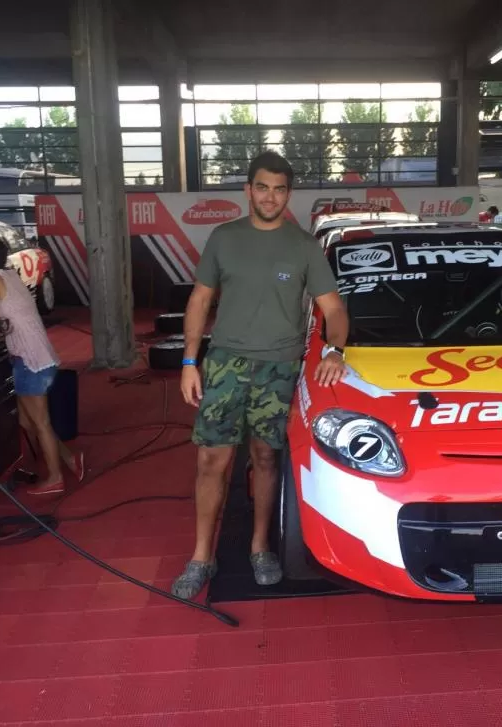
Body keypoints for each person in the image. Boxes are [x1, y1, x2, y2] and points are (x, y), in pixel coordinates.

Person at [172, 150, 349, 599]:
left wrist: (334, 349)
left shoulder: (304, 245)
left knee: (267, 458)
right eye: (263, 187)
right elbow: (199, 300)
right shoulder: (223, 238)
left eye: (280, 189)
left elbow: (334, 308)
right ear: (248, 190)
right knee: (212, 459)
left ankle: (259, 548)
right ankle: (200, 556)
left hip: (279, 368)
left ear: (289, 194)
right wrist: (190, 361)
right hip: (226, 363)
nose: (271, 197)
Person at [0, 238, 83, 495]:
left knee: (39, 421)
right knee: (26, 419)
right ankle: (67, 459)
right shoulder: (9, 274)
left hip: (30, 358)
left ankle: (55, 478)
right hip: (34, 353)